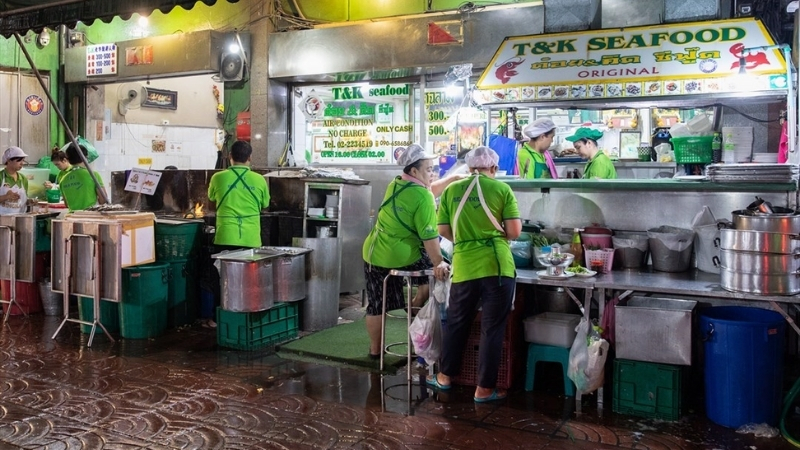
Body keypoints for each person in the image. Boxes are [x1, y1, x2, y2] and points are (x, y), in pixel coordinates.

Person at [428, 146, 522, 403]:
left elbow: (444, 229)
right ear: (493, 168)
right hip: (497, 267)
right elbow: (514, 232)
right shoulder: (502, 189)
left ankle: (445, 377)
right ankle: (484, 389)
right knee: (492, 329)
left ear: (470, 168)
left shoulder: (451, 191)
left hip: (465, 266)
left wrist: (468, 239)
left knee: (457, 324)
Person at [362, 144, 451, 359]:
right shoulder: (423, 197)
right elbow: (429, 237)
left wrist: (451, 180)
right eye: (428, 169)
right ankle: (418, 307)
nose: (433, 173)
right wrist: (439, 262)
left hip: (374, 253)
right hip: (402, 256)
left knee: (376, 304)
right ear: (414, 171)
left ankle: (375, 352)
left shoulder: (396, 183)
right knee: (440, 269)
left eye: (433, 169)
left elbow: (427, 190)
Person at [205, 140, 270, 328]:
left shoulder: (218, 178)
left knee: (223, 279)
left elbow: (211, 197)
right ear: (250, 158)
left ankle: (218, 320)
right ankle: (248, 318)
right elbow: (265, 204)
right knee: (250, 281)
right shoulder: (259, 179)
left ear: (229, 157)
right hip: (250, 239)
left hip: (225, 236)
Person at [60, 144, 107, 211]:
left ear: (68, 159)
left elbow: (67, 204)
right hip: (89, 217)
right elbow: (103, 200)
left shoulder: (63, 179)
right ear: (85, 157)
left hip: (72, 218)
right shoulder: (93, 175)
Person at [0, 146, 29, 215]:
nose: (22, 163)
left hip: (20, 219)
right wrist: (6, 197)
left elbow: (24, 200)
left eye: (23, 160)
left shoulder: (23, 179)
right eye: (19, 160)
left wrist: (30, 202)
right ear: (9, 160)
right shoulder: (1, 177)